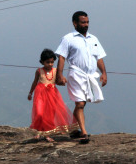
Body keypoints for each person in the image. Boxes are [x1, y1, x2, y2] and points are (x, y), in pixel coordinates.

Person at [55, 11, 107, 145]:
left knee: (83, 103)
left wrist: (104, 73)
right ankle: (84, 132)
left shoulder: (93, 39)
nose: (86, 25)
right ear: (75, 23)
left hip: (90, 75)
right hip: (76, 74)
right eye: (83, 22)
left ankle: (73, 130)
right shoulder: (68, 38)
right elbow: (61, 57)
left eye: (87, 22)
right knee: (80, 103)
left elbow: (99, 57)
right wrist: (59, 75)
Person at [28, 49, 73, 142]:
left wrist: (63, 80)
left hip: (52, 95)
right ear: (42, 62)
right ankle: (38, 132)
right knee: (39, 113)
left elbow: (59, 80)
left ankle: (48, 134)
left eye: (52, 62)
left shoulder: (56, 71)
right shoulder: (39, 71)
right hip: (40, 94)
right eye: (47, 62)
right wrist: (30, 92)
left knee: (50, 115)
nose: (50, 64)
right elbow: (35, 82)